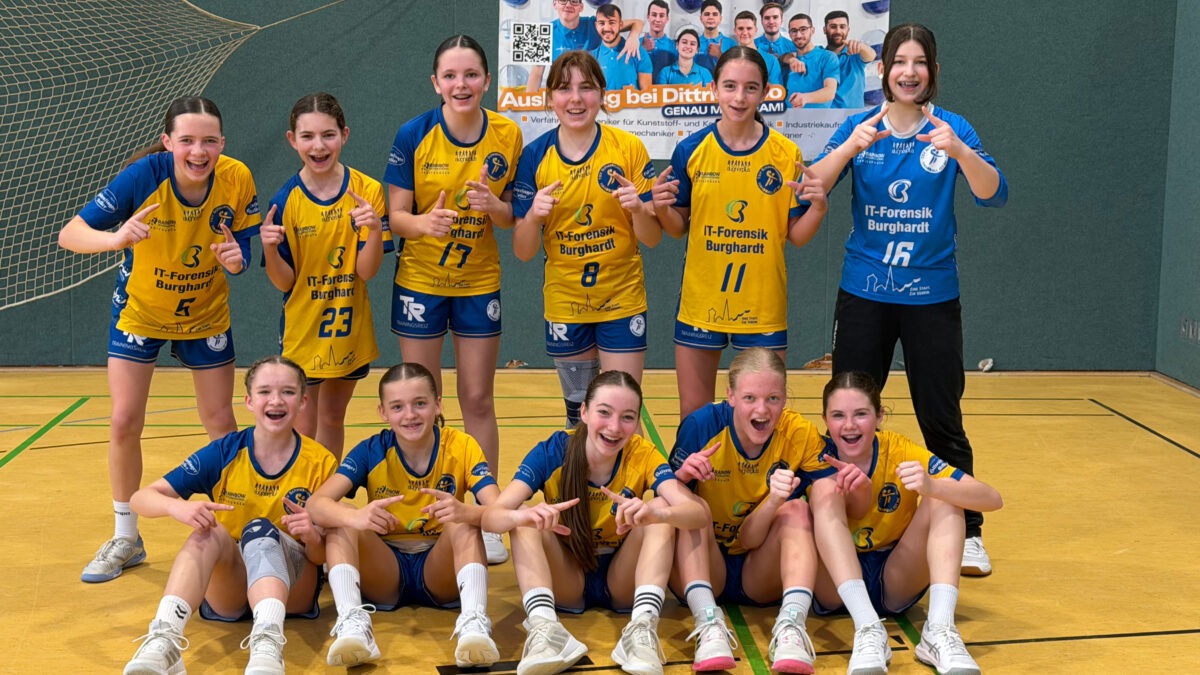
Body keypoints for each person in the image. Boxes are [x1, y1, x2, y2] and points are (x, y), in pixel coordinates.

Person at [809, 22, 1008, 578]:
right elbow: (812, 186)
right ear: (883, 70)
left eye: (920, 62)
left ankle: (969, 531)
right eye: (900, 61)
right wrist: (849, 147)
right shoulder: (859, 126)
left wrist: (960, 152)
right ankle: (838, 516)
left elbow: (994, 193)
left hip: (932, 296)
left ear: (933, 72)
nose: (909, 72)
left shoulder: (952, 128)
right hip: (865, 293)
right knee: (849, 410)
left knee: (941, 415)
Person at [58, 95, 261, 584]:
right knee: (125, 420)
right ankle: (126, 537)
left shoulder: (236, 177)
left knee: (221, 421)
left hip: (204, 314)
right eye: (187, 140)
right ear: (168, 142)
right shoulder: (143, 177)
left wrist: (237, 261)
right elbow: (71, 233)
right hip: (142, 312)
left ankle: (239, 528)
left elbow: (243, 250)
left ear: (222, 143)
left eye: (209, 141)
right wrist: (115, 239)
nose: (199, 151)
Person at [384, 34, 523, 564]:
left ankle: (485, 518)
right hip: (421, 282)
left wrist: (494, 206)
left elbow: (511, 217)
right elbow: (396, 217)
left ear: (486, 80)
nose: (460, 84)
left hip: (478, 283)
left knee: (477, 399)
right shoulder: (413, 134)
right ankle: (427, 512)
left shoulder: (507, 135)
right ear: (435, 83)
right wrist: (424, 224)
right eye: (450, 76)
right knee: (422, 402)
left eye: (470, 75)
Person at [121, 356, 337, 675]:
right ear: (249, 401)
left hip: (294, 586)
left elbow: (321, 556)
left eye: (288, 392)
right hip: (233, 584)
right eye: (265, 391)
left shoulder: (320, 462)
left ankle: (268, 643)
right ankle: (164, 639)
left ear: (304, 401)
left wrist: (313, 536)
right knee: (206, 531)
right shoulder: (225, 452)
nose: (276, 400)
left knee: (259, 531)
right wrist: (177, 507)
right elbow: (140, 498)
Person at [481, 370, 707, 675]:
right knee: (523, 515)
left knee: (661, 507)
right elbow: (492, 518)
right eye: (604, 412)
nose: (614, 427)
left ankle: (641, 630)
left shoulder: (642, 454)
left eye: (627, 417)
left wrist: (658, 514)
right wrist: (522, 516)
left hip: (621, 579)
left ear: (636, 422)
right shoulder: (553, 451)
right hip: (568, 576)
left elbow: (697, 514)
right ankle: (546, 630)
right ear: (584, 412)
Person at [653, 46, 827, 420]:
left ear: (765, 92)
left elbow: (796, 236)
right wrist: (662, 208)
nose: (739, 97)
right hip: (703, 301)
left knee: (761, 417)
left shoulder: (785, 153)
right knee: (695, 417)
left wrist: (819, 208)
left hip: (762, 304)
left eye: (751, 88)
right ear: (714, 88)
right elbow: (677, 228)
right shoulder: (691, 149)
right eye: (730, 86)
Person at [307, 363, 502, 669]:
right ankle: (353, 624)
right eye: (397, 407)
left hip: (439, 569)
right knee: (341, 517)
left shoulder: (461, 446)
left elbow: (499, 510)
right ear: (383, 412)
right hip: (385, 570)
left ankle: (474, 623)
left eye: (420, 403)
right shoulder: (371, 450)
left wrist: (467, 511)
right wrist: (357, 517)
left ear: (438, 405)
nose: (410, 415)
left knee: (463, 520)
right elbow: (316, 504)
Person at [809, 372, 1003, 675]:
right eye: (838, 415)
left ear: (879, 416)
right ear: (824, 419)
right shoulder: (813, 453)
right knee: (825, 489)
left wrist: (932, 486)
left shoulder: (899, 451)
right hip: (833, 585)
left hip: (895, 577)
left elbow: (992, 499)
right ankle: (867, 626)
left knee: (945, 495)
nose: (849, 425)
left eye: (861, 414)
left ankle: (939, 629)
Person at [512, 50, 663, 427]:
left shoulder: (628, 148)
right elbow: (523, 251)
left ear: (602, 94)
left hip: (621, 300)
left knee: (622, 414)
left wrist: (639, 210)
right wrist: (532, 217)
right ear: (550, 97)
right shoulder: (534, 157)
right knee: (578, 421)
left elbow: (653, 239)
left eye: (587, 88)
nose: (576, 99)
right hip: (566, 303)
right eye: (564, 89)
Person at [669, 348, 837, 673]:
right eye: (749, 398)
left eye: (773, 398)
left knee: (797, 511)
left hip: (759, 569)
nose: (762, 410)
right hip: (705, 564)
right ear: (730, 396)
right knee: (690, 507)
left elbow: (832, 501)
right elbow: (664, 500)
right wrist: (682, 477)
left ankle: (791, 625)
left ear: (785, 399)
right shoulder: (701, 426)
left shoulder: (799, 434)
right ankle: (707, 621)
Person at [262, 92, 389, 460]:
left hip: (349, 328)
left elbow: (367, 271)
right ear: (292, 140)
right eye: (307, 136)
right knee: (302, 425)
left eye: (328, 135)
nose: (318, 146)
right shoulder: (285, 201)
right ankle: (301, 491)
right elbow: (284, 282)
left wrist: (374, 231)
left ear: (344, 135)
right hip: (304, 330)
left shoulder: (367, 191)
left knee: (333, 418)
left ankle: (326, 490)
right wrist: (269, 249)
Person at [525, 0, 644, 92]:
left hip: (593, 92)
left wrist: (633, 37)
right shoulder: (541, 33)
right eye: (563, 0)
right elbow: (536, 75)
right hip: (562, 93)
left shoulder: (595, 25)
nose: (568, 5)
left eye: (574, 1)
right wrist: (528, 105)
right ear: (555, 4)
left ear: (581, 7)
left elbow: (637, 22)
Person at [781, 14, 839, 109]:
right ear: (790, 34)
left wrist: (805, 98)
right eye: (794, 31)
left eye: (803, 29)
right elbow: (780, 58)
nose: (798, 35)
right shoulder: (790, 58)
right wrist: (791, 60)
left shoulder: (827, 57)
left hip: (818, 117)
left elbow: (830, 92)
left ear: (812, 31)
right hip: (790, 116)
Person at [822, 10, 877, 108]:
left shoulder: (855, 54)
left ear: (848, 29)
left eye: (842, 27)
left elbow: (871, 56)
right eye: (833, 27)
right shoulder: (819, 56)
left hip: (854, 115)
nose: (838, 31)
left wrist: (861, 47)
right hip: (826, 115)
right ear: (825, 29)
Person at [592, 3, 653, 91]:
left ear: (620, 25)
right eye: (602, 23)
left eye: (612, 23)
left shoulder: (639, 53)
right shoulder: (591, 58)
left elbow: (646, 94)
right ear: (596, 26)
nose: (607, 28)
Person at [732, 11, 784, 86]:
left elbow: (775, 91)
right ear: (735, 31)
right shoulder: (727, 59)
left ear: (756, 30)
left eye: (749, 28)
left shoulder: (771, 61)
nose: (745, 32)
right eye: (740, 28)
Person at [641, 0, 677, 80]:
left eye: (661, 16)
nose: (657, 19)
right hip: (641, 88)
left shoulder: (673, 46)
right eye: (654, 15)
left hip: (665, 87)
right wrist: (642, 50)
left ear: (667, 19)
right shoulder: (637, 43)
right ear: (648, 17)